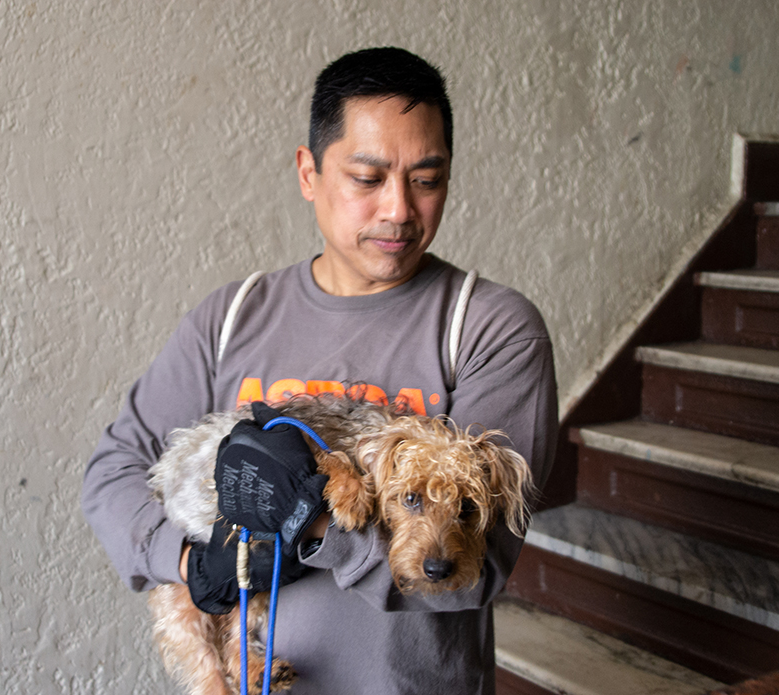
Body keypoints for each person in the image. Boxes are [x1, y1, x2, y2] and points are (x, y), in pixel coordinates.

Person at [82, 47, 558, 694]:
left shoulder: (488, 327)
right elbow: (113, 473)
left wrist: (309, 518)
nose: (398, 208)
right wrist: (194, 564)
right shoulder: (231, 317)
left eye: (426, 178)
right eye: (368, 177)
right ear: (308, 172)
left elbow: (471, 568)